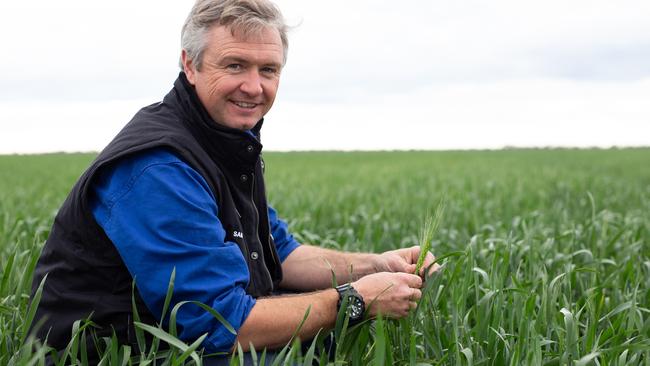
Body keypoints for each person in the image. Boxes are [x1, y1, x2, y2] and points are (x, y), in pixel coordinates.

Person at [30, 0, 439, 362]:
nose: (253, 87)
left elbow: (277, 253)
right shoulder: (159, 168)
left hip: (177, 338)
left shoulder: (223, 141)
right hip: (117, 352)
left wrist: (374, 265)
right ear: (190, 64)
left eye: (268, 70)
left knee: (325, 341)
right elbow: (216, 323)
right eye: (234, 65)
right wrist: (356, 300)